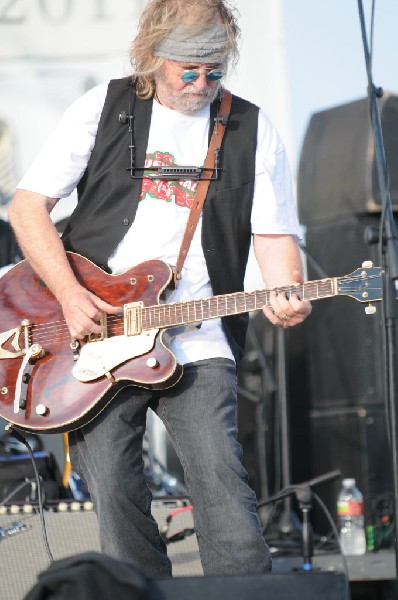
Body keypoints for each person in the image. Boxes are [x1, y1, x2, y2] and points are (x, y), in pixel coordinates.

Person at [8, 0, 311, 579]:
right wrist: (72, 296)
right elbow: (28, 210)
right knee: (117, 496)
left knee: (224, 487)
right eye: (188, 70)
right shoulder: (104, 107)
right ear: (152, 56)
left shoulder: (249, 127)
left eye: (214, 71)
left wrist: (286, 290)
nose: (201, 84)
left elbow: (275, 237)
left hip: (198, 338)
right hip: (93, 334)